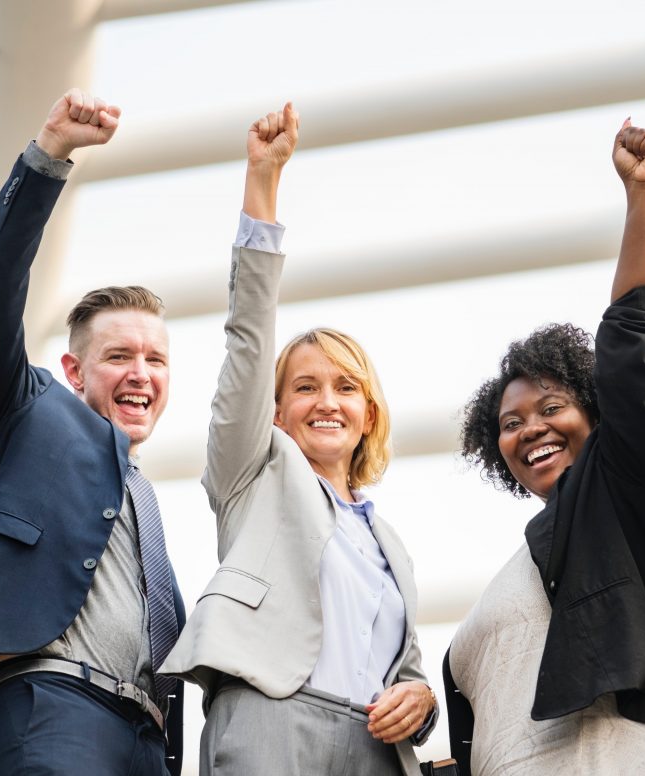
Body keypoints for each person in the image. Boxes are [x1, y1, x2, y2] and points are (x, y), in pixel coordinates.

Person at [0, 88, 185, 776]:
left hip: (146, 741)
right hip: (54, 703)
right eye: (119, 356)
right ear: (72, 369)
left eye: (156, 359)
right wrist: (50, 156)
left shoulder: (143, 498)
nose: (140, 374)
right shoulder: (31, 409)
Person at [161, 104, 437, 776]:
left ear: (368, 414)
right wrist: (264, 183)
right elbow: (250, 340)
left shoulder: (387, 541)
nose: (326, 401)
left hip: (374, 747)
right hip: (273, 716)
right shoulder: (253, 476)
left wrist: (420, 700)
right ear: (276, 413)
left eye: (346, 387)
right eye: (305, 387)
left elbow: (408, 667)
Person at [446, 120, 645, 775]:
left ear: (596, 414)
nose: (529, 429)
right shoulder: (534, 553)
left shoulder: (626, 493)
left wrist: (641, 197)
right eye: (510, 424)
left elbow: (636, 344)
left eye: (551, 408)